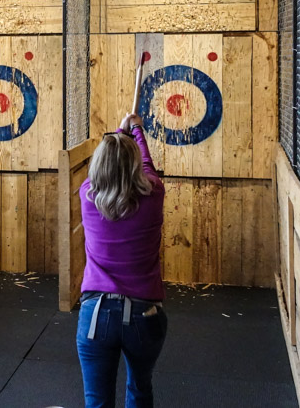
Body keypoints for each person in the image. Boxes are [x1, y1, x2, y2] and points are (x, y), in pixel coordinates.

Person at [77, 112, 167, 408]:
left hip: (96, 314)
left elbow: (110, 160)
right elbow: (147, 166)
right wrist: (136, 129)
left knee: (97, 402)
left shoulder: (87, 195)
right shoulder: (153, 194)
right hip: (145, 314)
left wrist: (120, 131)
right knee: (139, 390)